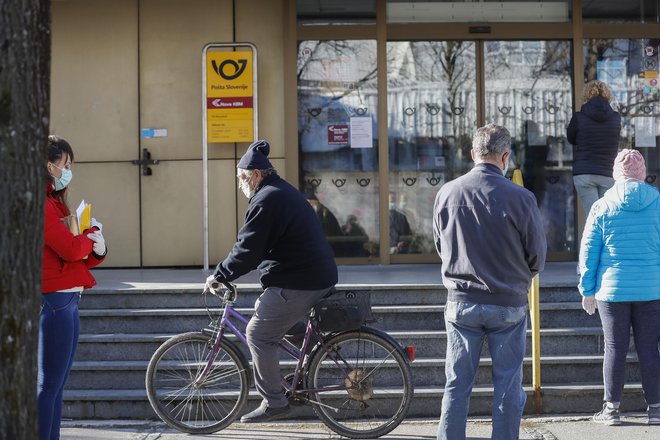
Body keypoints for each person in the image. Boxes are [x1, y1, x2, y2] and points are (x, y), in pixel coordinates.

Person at [205, 140, 338, 423]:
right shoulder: (278, 192)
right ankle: (314, 351)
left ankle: (274, 402)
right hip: (312, 275)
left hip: (302, 280)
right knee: (272, 312)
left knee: (257, 334)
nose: (240, 184)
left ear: (255, 174)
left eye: (242, 178)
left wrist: (220, 275)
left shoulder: (266, 199)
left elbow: (248, 249)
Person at [432, 124, 547, 440]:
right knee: (508, 386)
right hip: (507, 301)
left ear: (472, 154)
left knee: (456, 385)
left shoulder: (447, 193)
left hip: (461, 301)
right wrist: (522, 277)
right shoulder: (521, 198)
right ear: (505, 156)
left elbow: (441, 245)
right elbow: (537, 255)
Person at [578, 149, 660, 426]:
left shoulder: (602, 205)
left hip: (612, 291)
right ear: (642, 172)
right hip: (651, 289)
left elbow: (589, 252)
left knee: (614, 347)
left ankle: (611, 409)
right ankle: (657, 409)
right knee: (650, 348)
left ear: (615, 173)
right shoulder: (658, 202)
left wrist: (587, 289)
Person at [39, 135, 107, 440]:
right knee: (48, 385)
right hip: (55, 302)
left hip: (65, 300)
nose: (69, 170)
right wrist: (89, 235)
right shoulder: (41, 204)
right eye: (65, 164)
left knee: (55, 385)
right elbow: (69, 249)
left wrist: (96, 247)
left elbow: (74, 259)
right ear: (49, 165)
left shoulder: (53, 202)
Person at [567, 80, 621, 216]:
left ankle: (592, 237)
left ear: (586, 95)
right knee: (607, 215)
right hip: (608, 172)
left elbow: (571, 139)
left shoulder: (578, 117)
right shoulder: (615, 118)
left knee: (593, 216)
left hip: (584, 173)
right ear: (607, 95)